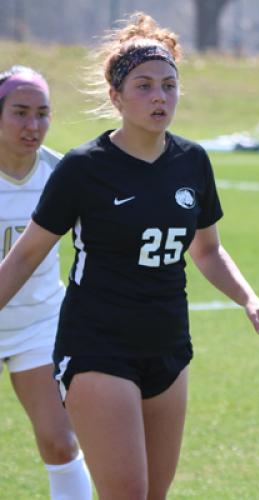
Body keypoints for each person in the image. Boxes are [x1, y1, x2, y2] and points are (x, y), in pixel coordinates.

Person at [0, 13, 259, 500]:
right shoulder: (81, 169)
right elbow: (26, 255)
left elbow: (208, 250)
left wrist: (249, 298)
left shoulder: (192, 161)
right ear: (115, 97)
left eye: (169, 85)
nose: (160, 97)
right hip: (97, 345)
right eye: (144, 86)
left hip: (167, 346)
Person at [0, 66, 92, 499]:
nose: (32, 125)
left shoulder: (61, 174)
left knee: (60, 441)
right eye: (20, 112)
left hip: (36, 327)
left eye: (42, 113)